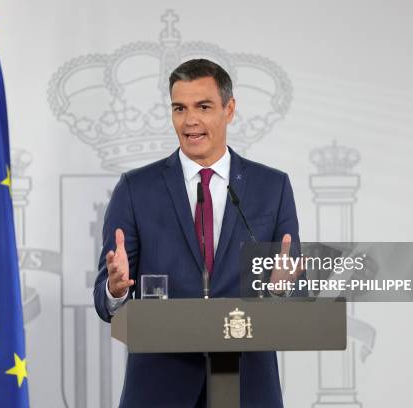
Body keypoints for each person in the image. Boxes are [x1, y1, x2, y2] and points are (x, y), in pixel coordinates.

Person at [93, 58, 306, 407]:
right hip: (159, 390)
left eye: (203, 107)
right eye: (180, 108)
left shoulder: (272, 187)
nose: (190, 120)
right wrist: (115, 290)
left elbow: (294, 290)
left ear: (230, 109)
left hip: (247, 388)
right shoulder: (136, 188)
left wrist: (284, 289)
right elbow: (106, 303)